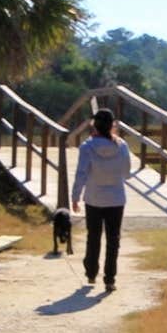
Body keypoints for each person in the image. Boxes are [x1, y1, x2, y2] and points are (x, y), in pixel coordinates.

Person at [70, 109, 132, 292]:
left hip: (94, 198)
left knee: (93, 237)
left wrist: (75, 197)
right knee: (114, 239)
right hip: (116, 199)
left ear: (94, 125)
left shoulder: (87, 147)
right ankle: (110, 279)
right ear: (113, 125)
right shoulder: (122, 146)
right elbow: (127, 173)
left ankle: (91, 272)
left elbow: (81, 174)